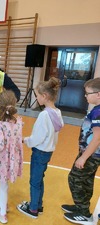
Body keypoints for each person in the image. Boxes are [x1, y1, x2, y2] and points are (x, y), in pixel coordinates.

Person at [17, 77, 64, 219]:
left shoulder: (44, 115)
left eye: (37, 95)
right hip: (48, 152)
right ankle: (38, 205)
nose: (36, 98)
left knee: (34, 181)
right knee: (39, 179)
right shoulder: (57, 112)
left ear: (45, 96)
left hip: (40, 152)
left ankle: (32, 209)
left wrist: (25, 140)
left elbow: (37, 138)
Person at [62, 78, 100, 225]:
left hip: (91, 155)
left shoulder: (98, 112)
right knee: (86, 181)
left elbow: (97, 138)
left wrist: (83, 157)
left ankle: (84, 213)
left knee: (75, 178)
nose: (85, 96)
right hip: (92, 154)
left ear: (98, 94)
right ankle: (81, 207)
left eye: (87, 93)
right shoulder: (96, 110)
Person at [0, 90, 23, 224]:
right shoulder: (18, 121)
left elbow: (0, 144)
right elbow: (18, 139)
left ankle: (2, 213)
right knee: (4, 183)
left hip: (4, 159)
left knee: (3, 184)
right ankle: (2, 201)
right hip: (14, 157)